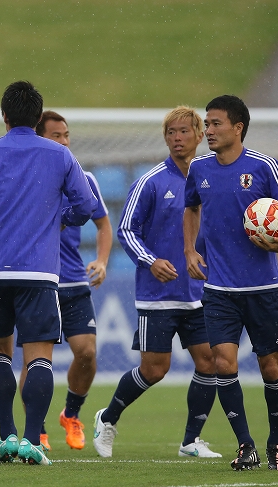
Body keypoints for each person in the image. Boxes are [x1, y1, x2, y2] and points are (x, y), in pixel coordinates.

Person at [0, 81, 97, 466]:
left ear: (4, 116)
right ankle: (33, 439)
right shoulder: (60, 156)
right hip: (39, 272)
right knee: (39, 358)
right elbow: (85, 204)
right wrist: (60, 220)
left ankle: (6, 437)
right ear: (37, 117)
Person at [91, 105, 222, 460]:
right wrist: (151, 261)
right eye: (171, 133)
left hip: (200, 293)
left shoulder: (211, 178)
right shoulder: (150, 182)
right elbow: (125, 229)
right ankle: (108, 417)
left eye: (184, 131)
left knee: (209, 362)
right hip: (158, 295)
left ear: (199, 136)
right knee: (154, 369)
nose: (177, 138)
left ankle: (190, 441)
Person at [182, 95, 278, 471]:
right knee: (223, 363)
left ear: (238, 128)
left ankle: (276, 445)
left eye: (215, 124)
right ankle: (245, 445)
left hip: (262, 287)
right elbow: (191, 208)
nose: (208, 130)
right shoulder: (199, 169)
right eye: (207, 123)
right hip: (219, 289)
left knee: (271, 367)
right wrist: (189, 251)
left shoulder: (264, 167)